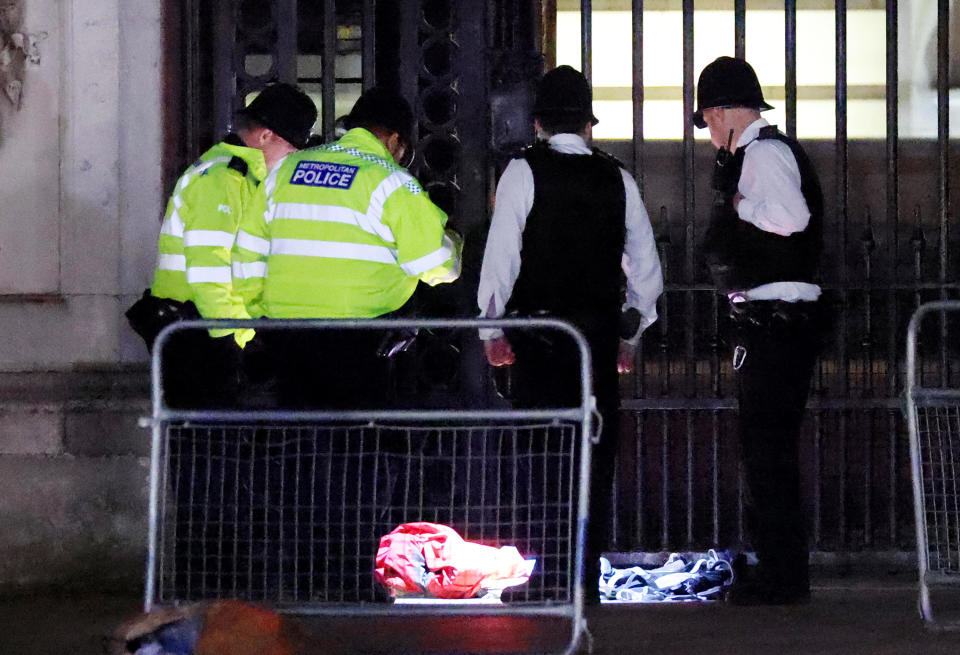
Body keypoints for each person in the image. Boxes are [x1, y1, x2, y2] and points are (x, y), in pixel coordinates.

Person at [477, 65, 663, 602]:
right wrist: (631, 331)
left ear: (538, 123)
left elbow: (501, 260)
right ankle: (585, 579)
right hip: (597, 344)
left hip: (538, 342)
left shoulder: (521, 172)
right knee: (594, 461)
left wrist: (492, 330)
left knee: (542, 459)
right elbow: (647, 270)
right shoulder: (617, 178)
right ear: (587, 125)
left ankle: (550, 576)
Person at [231, 85, 461, 408]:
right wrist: (453, 242)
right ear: (395, 141)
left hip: (286, 337)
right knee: (356, 446)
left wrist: (257, 323)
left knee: (301, 445)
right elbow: (437, 267)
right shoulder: (391, 182)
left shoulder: (285, 172)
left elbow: (247, 254)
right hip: (361, 342)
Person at [694, 56, 825, 605]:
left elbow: (790, 217)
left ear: (723, 112)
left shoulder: (764, 154)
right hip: (774, 320)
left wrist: (739, 203)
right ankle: (775, 567)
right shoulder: (763, 153)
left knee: (767, 451)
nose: (709, 136)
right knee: (764, 449)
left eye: (707, 120)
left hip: (775, 320)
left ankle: (782, 576)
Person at [142, 82, 317, 409]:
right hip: (203, 336)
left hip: (207, 331)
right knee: (207, 449)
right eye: (291, 149)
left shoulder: (239, 176)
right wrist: (244, 343)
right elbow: (211, 272)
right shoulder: (224, 179)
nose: (292, 159)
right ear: (266, 136)